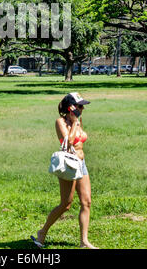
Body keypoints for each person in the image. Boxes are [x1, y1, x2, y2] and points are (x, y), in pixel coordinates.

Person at [31, 92, 98, 249]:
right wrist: (74, 123)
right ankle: (42, 233)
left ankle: (84, 241)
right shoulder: (60, 122)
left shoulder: (78, 120)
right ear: (71, 108)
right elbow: (69, 143)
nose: (83, 109)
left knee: (86, 202)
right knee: (66, 204)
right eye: (80, 106)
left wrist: (77, 122)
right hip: (69, 164)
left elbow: (80, 139)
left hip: (82, 163)